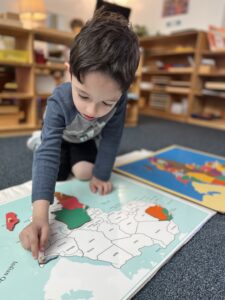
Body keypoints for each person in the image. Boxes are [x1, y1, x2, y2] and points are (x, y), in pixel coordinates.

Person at [19, 7, 140, 260]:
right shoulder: (59, 101)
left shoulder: (120, 102)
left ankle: (58, 146)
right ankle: (37, 136)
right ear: (69, 72)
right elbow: (48, 154)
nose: (91, 110)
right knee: (56, 171)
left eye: (106, 102)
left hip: (84, 138)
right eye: (83, 95)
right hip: (60, 139)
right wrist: (40, 217)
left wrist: (102, 174)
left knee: (86, 173)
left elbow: (112, 137)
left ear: (122, 92)